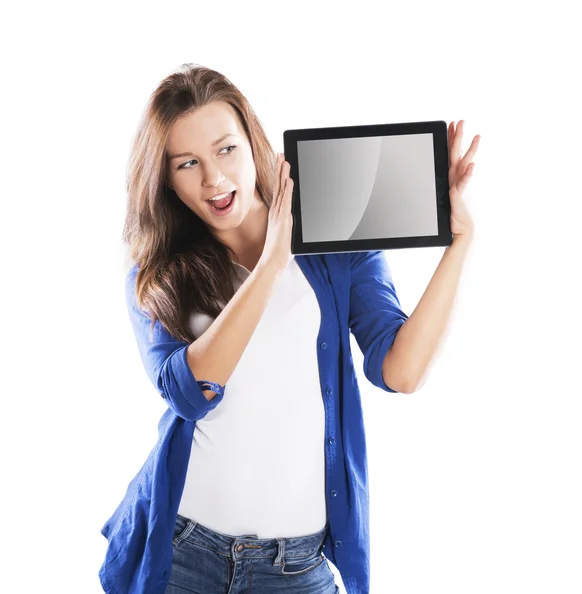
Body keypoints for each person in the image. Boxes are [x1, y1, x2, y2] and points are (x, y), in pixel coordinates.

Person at [98, 63, 477, 594]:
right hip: (183, 553)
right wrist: (273, 262)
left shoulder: (335, 245)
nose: (214, 179)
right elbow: (192, 390)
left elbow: (402, 371)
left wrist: (458, 242)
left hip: (294, 565)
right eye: (188, 163)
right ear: (166, 178)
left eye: (226, 149)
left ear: (254, 144)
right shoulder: (157, 275)